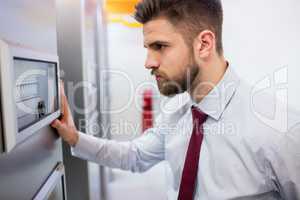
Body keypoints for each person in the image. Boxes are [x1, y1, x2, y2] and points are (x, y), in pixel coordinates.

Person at [51, 0, 300, 199]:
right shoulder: (176, 115)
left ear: (204, 44)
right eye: (147, 48)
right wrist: (74, 137)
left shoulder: (281, 131)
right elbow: (135, 155)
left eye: (159, 46)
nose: (148, 62)